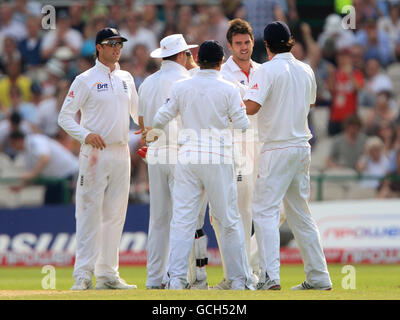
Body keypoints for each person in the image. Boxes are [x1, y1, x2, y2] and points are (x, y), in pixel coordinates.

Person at [152, 40, 252, 290]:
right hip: (218, 157)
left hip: (188, 157)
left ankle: (176, 279)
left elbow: (159, 119)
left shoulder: (181, 86)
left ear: (198, 59)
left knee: (182, 221)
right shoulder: (229, 88)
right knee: (228, 220)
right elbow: (243, 125)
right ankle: (239, 280)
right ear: (220, 62)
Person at [244, 21, 332, 290]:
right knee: (300, 215)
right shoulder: (305, 69)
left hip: (277, 147)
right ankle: (319, 277)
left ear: (267, 45)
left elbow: (250, 107)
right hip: (301, 147)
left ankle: (270, 277)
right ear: (290, 41)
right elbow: (310, 103)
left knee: (264, 211)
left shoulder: (267, 70)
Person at [58, 27, 138, 290]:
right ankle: (83, 274)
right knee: (89, 213)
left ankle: (107, 274)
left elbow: (138, 115)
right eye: (111, 44)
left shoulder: (126, 77)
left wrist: (151, 129)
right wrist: (85, 135)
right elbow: (65, 117)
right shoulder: (85, 79)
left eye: (119, 44)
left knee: (115, 214)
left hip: (121, 151)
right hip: (95, 153)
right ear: (98, 48)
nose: (116, 48)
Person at [136, 33, 201, 289]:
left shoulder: (147, 82)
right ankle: (176, 277)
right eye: (187, 53)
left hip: (155, 153)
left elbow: (143, 126)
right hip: (179, 153)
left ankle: (154, 279)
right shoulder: (186, 80)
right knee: (182, 219)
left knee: (159, 219)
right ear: (182, 55)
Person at [211, 18, 261, 290]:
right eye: (238, 43)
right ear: (229, 46)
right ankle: (237, 275)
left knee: (269, 211)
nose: (243, 47)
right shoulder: (222, 74)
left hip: (262, 146)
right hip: (233, 147)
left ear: (253, 42)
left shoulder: (264, 71)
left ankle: (246, 270)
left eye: (247, 42)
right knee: (232, 213)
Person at [8, 131, 78, 204]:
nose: (13, 147)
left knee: (61, 207)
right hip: (54, 180)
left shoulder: (36, 140)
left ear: (19, 140)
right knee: (49, 206)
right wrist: (20, 186)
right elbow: (33, 176)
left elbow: (45, 158)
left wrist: (32, 174)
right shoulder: (25, 154)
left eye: (13, 143)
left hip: (70, 174)